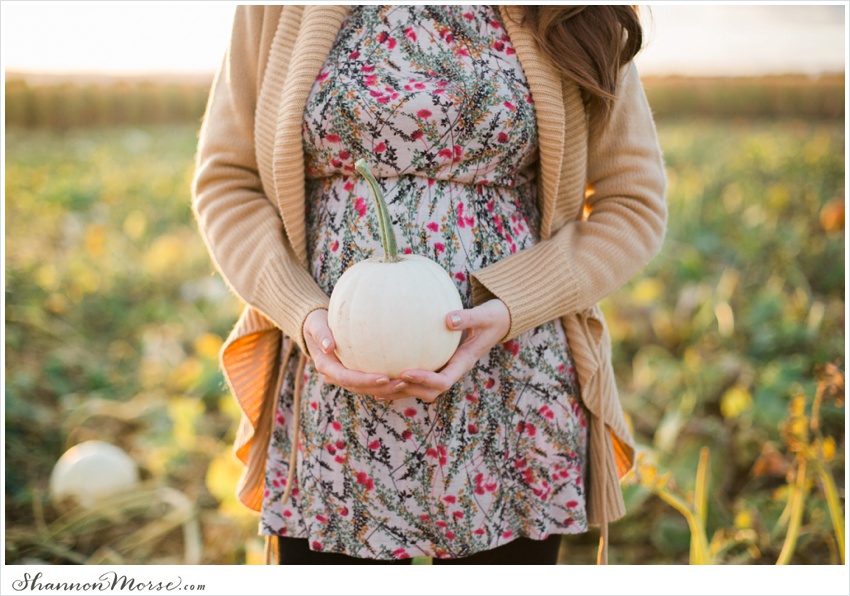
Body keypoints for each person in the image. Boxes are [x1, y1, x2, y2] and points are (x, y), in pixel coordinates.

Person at [192, 5, 667, 565]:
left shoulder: (567, 9)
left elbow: (631, 204)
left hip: (513, 385)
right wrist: (303, 312)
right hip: (335, 390)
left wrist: (512, 305)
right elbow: (228, 182)